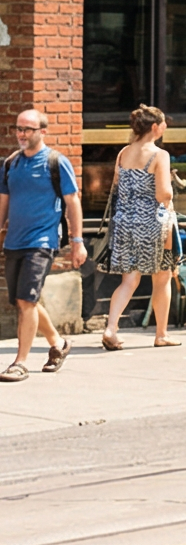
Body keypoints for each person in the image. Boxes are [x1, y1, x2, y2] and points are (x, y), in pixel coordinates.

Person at [0, 110, 83, 381]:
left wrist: (77, 241)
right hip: (14, 240)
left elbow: (72, 202)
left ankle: (20, 363)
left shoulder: (55, 162)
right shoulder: (11, 164)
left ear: (42, 132)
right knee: (25, 301)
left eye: (28, 129)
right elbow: (4, 200)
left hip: (42, 241)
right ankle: (58, 344)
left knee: (26, 299)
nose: (22, 134)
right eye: (19, 129)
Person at [97, 105, 181, 350]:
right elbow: (163, 192)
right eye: (163, 123)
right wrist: (171, 193)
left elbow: (116, 184)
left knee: (129, 280)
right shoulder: (159, 155)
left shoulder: (123, 152)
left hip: (124, 223)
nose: (165, 127)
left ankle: (111, 328)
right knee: (162, 278)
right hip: (153, 224)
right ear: (155, 127)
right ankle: (161, 334)